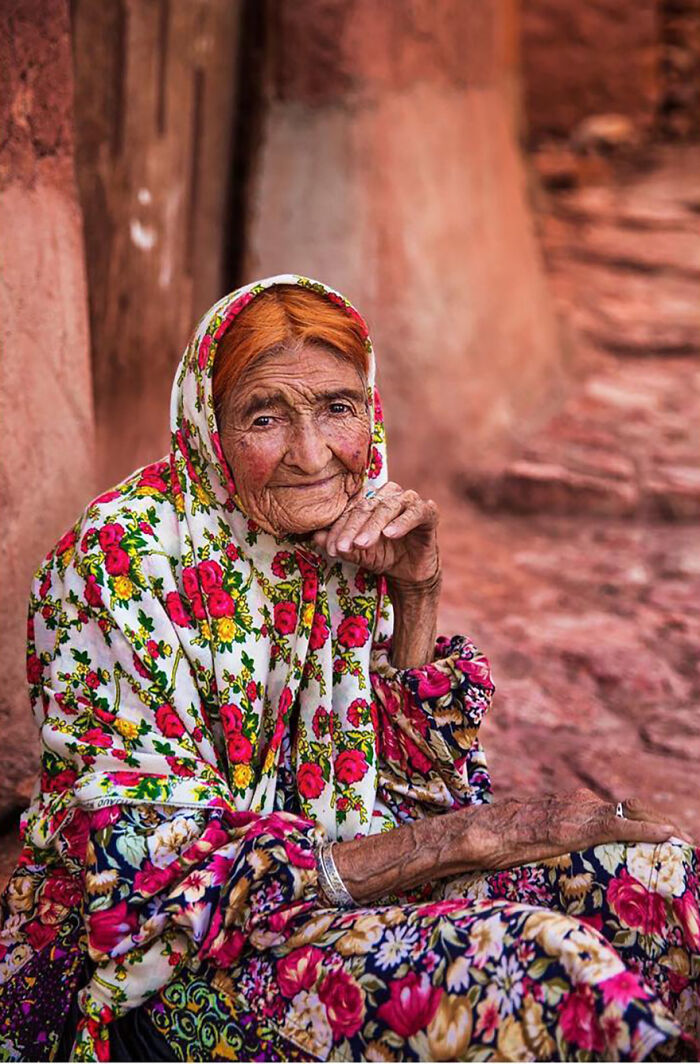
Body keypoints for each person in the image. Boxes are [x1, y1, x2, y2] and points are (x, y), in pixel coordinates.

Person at [0, 274, 698, 1062]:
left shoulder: (344, 538)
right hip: (163, 980)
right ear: (208, 427)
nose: (312, 455)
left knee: (655, 879)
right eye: (266, 418)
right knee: (540, 966)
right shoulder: (122, 560)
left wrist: (417, 595)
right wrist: (469, 840)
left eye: (338, 408)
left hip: (334, 890)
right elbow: (157, 895)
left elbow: (413, 799)